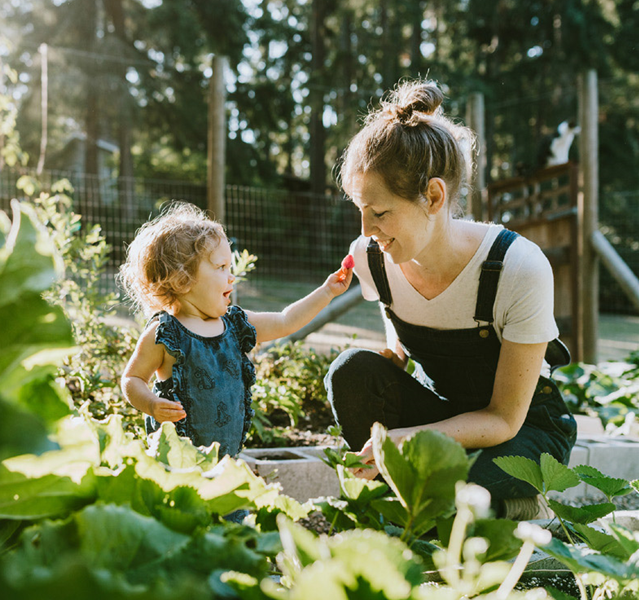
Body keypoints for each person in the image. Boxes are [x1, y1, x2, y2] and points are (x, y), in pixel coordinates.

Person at [323, 80, 577, 520]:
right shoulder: (373, 258)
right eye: (360, 209)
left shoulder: (517, 266)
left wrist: (415, 440)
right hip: (448, 415)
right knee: (351, 371)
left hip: (521, 433)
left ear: (434, 196)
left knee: (456, 474)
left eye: (380, 212)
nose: (366, 229)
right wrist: (393, 360)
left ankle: (516, 504)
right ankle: (425, 503)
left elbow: (502, 419)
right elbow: (400, 327)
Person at [119, 203, 353, 460]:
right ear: (182, 280)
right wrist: (151, 404)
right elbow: (132, 379)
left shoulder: (235, 324)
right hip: (176, 458)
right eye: (221, 268)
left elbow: (286, 321)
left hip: (226, 458)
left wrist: (327, 291)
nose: (231, 277)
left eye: (230, 268)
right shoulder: (165, 334)